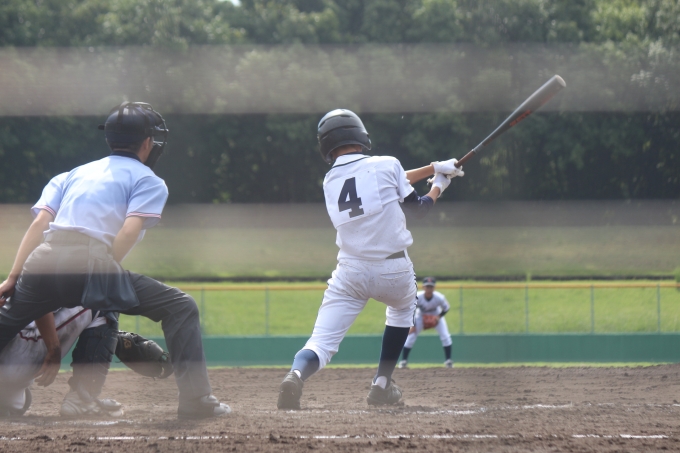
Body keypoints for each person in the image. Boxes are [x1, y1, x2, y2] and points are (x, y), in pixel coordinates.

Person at [0, 102, 230, 419]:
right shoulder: (148, 180)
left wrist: (14, 276)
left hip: (42, 260)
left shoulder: (73, 174)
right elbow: (128, 231)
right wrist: (104, 272)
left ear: (109, 139)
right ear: (147, 143)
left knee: (7, 322)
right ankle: (194, 401)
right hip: (91, 258)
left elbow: (40, 224)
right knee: (179, 306)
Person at [276, 109, 464, 410]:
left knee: (321, 342)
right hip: (394, 270)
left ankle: (295, 375)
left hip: (350, 271)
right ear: (360, 135)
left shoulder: (330, 181)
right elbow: (417, 209)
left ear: (326, 145)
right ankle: (381, 383)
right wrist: (438, 184)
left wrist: (433, 167)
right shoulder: (387, 164)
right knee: (402, 312)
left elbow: (379, 181)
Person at [398, 277, 453, 369]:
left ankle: (448, 361)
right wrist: (413, 325)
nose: (429, 289)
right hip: (420, 316)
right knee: (411, 336)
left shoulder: (439, 297)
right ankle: (404, 361)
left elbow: (446, 308)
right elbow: (411, 310)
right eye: (427, 286)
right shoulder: (417, 297)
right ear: (423, 287)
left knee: (445, 336)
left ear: (434, 288)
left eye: (431, 287)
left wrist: (438, 317)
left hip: (436, 315)